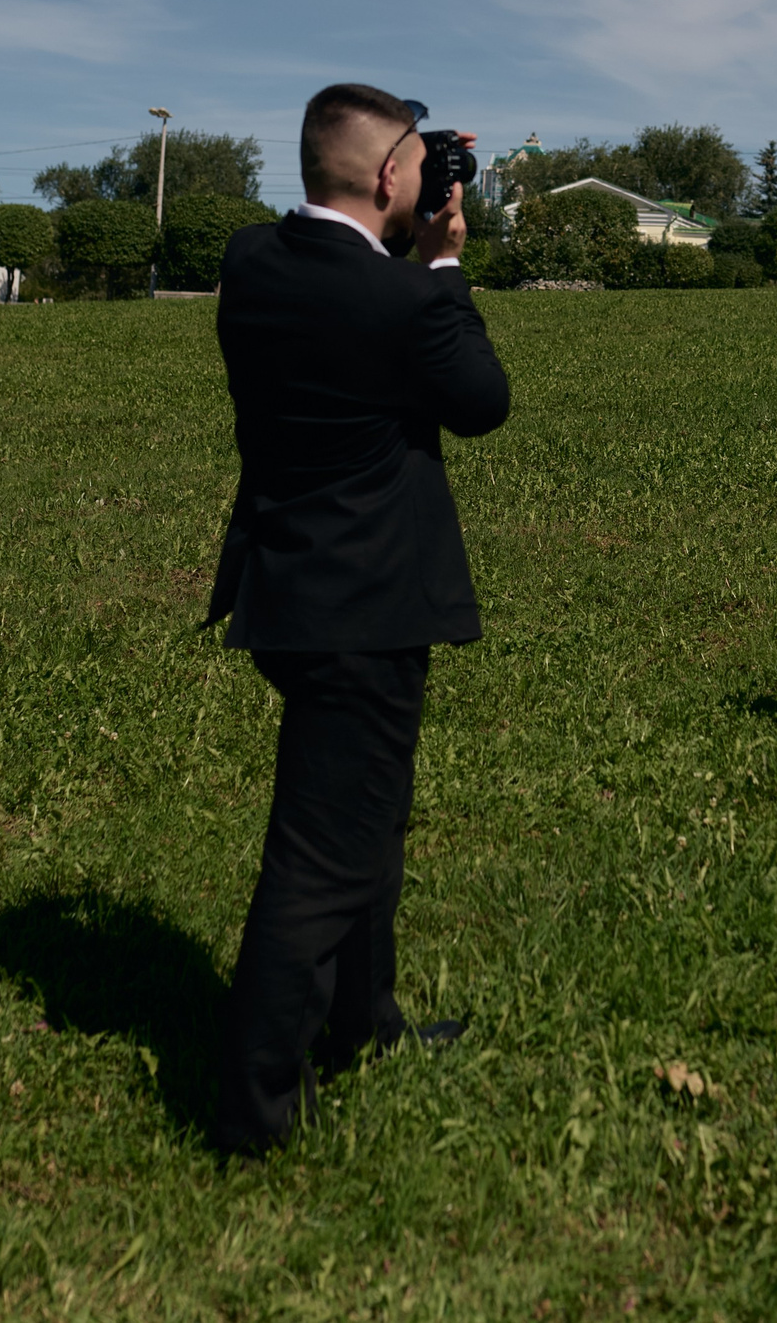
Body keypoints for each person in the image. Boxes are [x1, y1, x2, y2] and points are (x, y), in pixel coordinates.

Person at [202, 81, 511, 1155]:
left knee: (368, 827)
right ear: (389, 177)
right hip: (366, 610)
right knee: (323, 855)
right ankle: (252, 1110)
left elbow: (344, 285)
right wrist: (445, 262)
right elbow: (480, 399)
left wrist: (411, 253)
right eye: (421, 163)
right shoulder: (407, 302)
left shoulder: (250, 263)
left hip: (286, 591)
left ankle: (363, 1022)